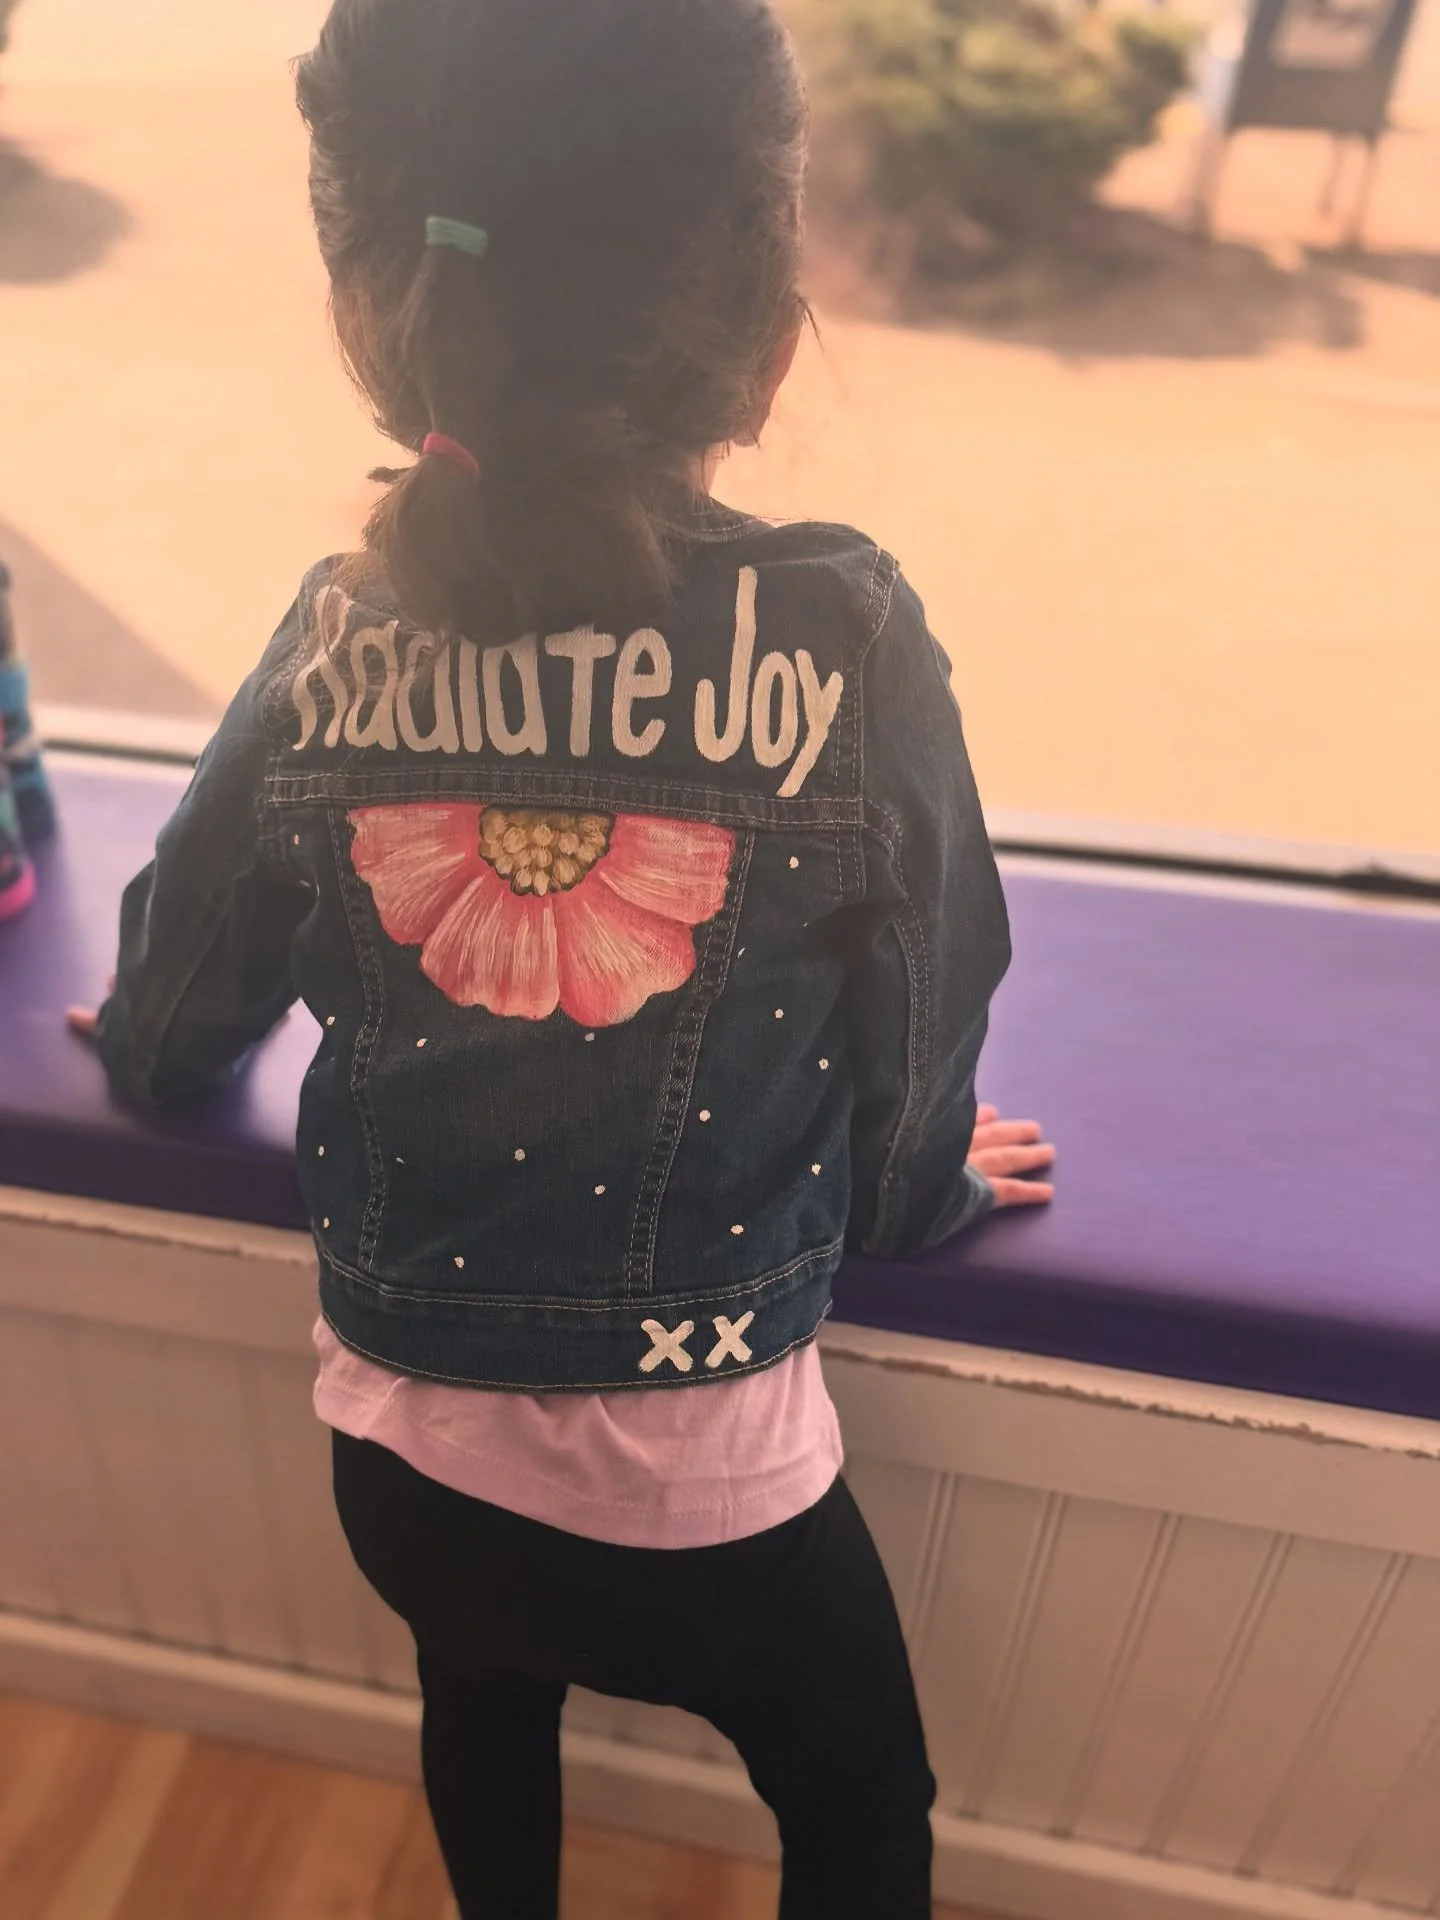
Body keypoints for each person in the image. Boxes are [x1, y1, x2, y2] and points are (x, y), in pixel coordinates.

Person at [74, 2, 1055, 1913]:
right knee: (864, 1807)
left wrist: (147, 1052)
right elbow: (929, 1001)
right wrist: (924, 1195)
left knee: (482, 1679)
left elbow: (182, 992)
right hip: (718, 1505)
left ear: (386, 323)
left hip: (404, 1470)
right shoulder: (840, 637)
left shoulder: (332, 634)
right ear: (770, 349)